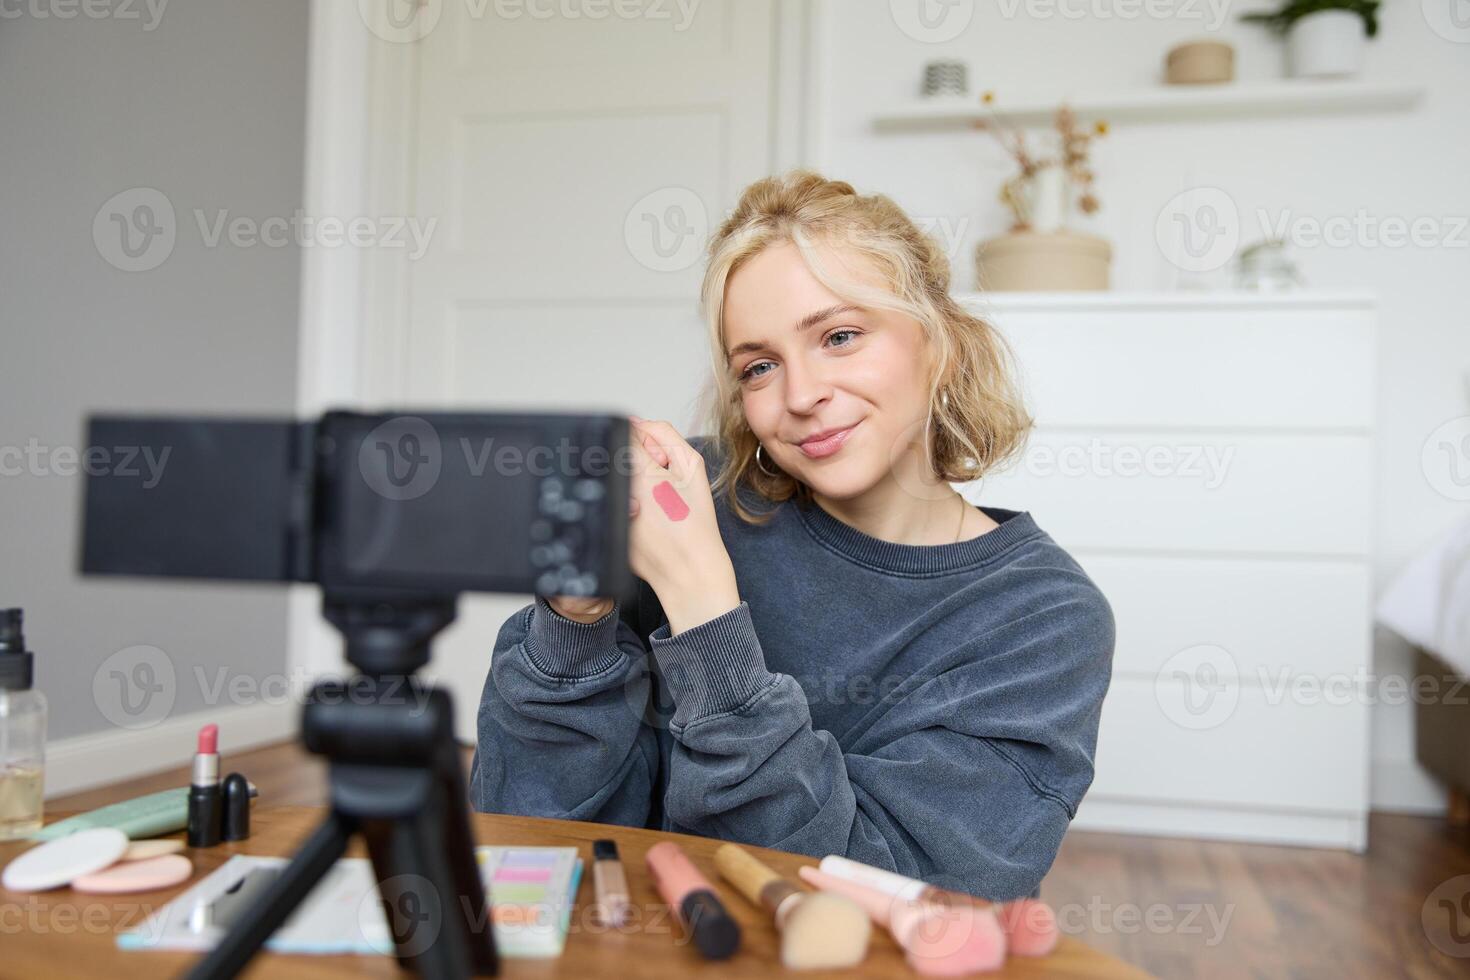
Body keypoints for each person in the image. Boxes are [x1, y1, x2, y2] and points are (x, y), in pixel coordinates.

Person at [470, 171, 1114, 901]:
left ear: (940, 345)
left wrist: (705, 610)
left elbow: (890, 902)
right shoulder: (690, 497)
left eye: (840, 336)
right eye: (760, 366)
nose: (801, 395)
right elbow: (530, 830)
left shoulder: (1042, 619)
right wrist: (573, 626)